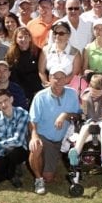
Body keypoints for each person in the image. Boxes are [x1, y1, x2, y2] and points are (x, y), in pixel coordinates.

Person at [27, 64, 81, 194]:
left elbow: (78, 115)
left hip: (63, 139)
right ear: (49, 79)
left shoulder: (72, 93)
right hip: (44, 136)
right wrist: (34, 136)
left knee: (49, 177)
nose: (58, 81)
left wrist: (65, 115)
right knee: (36, 147)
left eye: (61, 78)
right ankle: (38, 180)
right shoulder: (40, 96)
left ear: (66, 79)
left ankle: (51, 163)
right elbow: (32, 120)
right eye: (55, 77)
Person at [0, 88, 31, 189]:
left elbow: (17, 141)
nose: (3, 105)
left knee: (12, 151)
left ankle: (14, 172)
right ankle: (8, 173)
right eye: (0, 103)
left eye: (5, 100)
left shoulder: (22, 113)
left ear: (11, 99)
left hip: (19, 150)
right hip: (2, 152)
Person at [69, 73, 102, 168]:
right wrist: (83, 111)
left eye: (98, 93)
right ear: (89, 87)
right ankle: (76, 151)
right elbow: (83, 113)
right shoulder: (85, 97)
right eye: (93, 92)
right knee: (85, 127)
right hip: (89, 121)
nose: (95, 95)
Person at [39, 21, 83, 91]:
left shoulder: (76, 53)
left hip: (68, 88)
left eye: (61, 33)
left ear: (68, 35)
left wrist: (58, 84)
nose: (57, 36)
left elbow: (74, 74)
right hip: (49, 88)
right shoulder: (45, 50)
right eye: (55, 33)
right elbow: (41, 71)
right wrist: (46, 83)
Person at [7, 26, 44, 102]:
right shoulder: (11, 55)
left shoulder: (38, 52)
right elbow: (12, 76)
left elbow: (42, 71)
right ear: (16, 39)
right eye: (20, 37)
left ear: (30, 38)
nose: (23, 39)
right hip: (20, 92)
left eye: (26, 36)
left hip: (38, 91)